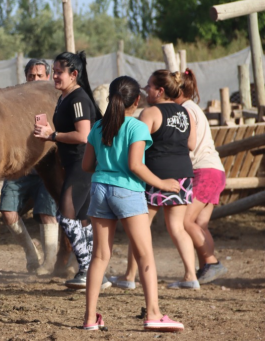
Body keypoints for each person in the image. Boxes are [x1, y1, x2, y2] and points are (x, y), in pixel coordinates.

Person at [81, 76, 184, 332]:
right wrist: (163, 183)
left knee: (99, 256)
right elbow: (136, 166)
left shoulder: (97, 128)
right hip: (127, 192)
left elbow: (85, 166)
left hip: (99, 189)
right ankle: (153, 314)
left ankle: (90, 319)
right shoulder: (136, 127)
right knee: (144, 254)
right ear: (136, 100)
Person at [110, 69, 199, 290]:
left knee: (138, 226)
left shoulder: (150, 113)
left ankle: (129, 277)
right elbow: (191, 144)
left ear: (160, 91)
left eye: (149, 86)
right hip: (183, 174)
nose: (145, 89)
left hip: (156, 174)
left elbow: (137, 143)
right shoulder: (186, 113)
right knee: (177, 227)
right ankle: (191, 276)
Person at [33, 51, 111, 290]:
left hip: (82, 165)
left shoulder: (78, 99)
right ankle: (97, 273)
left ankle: (88, 270)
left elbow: (83, 135)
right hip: (75, 165)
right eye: (54, 71)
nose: (54, 76)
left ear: (74, 74)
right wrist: (49, 130)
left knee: (66, 218)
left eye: (58, 72)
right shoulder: (65, 98)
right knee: (82, 220)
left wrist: (52, 135)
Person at [1, 59, 61, 276]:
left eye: (39, 76)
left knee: (48, 214)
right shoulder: (15, 102)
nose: (35, 80)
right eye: (31, 76)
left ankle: (50, 261)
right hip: (20, 167)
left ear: (48, 77)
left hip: (48, 167)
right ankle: (31, 254)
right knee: (8, 212)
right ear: (25, 78)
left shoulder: (59, 100)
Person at [175, 69, 228, 283]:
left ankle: (212, 262)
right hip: (213, 170)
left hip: (204, 171)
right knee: (199, 222)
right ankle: (206, 266)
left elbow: (191, 144)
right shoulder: (192, 107)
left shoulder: (186, 110)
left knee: (186, 221)